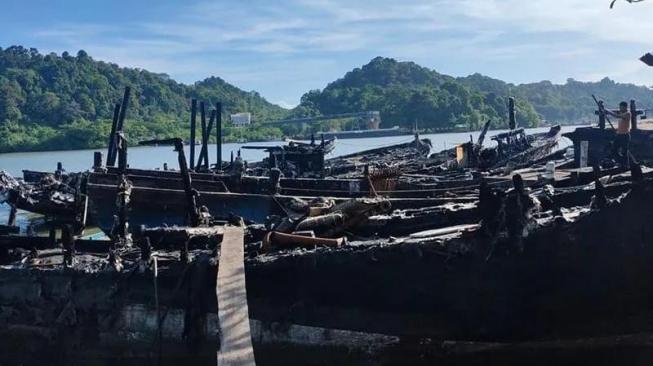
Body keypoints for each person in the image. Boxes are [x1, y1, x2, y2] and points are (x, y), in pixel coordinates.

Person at [605, 101, 631, 167]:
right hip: (619, 135)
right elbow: (616, 114)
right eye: (619, 107)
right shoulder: (621, 113)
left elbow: (616, 116)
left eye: (621, 107)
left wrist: (608, 111)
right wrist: (605, 111)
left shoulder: (627, 114)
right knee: (613, 150)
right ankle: (621, 162)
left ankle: (625, 165)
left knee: (624, 152)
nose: (620, 108)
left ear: (625, 107)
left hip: (625, 136)